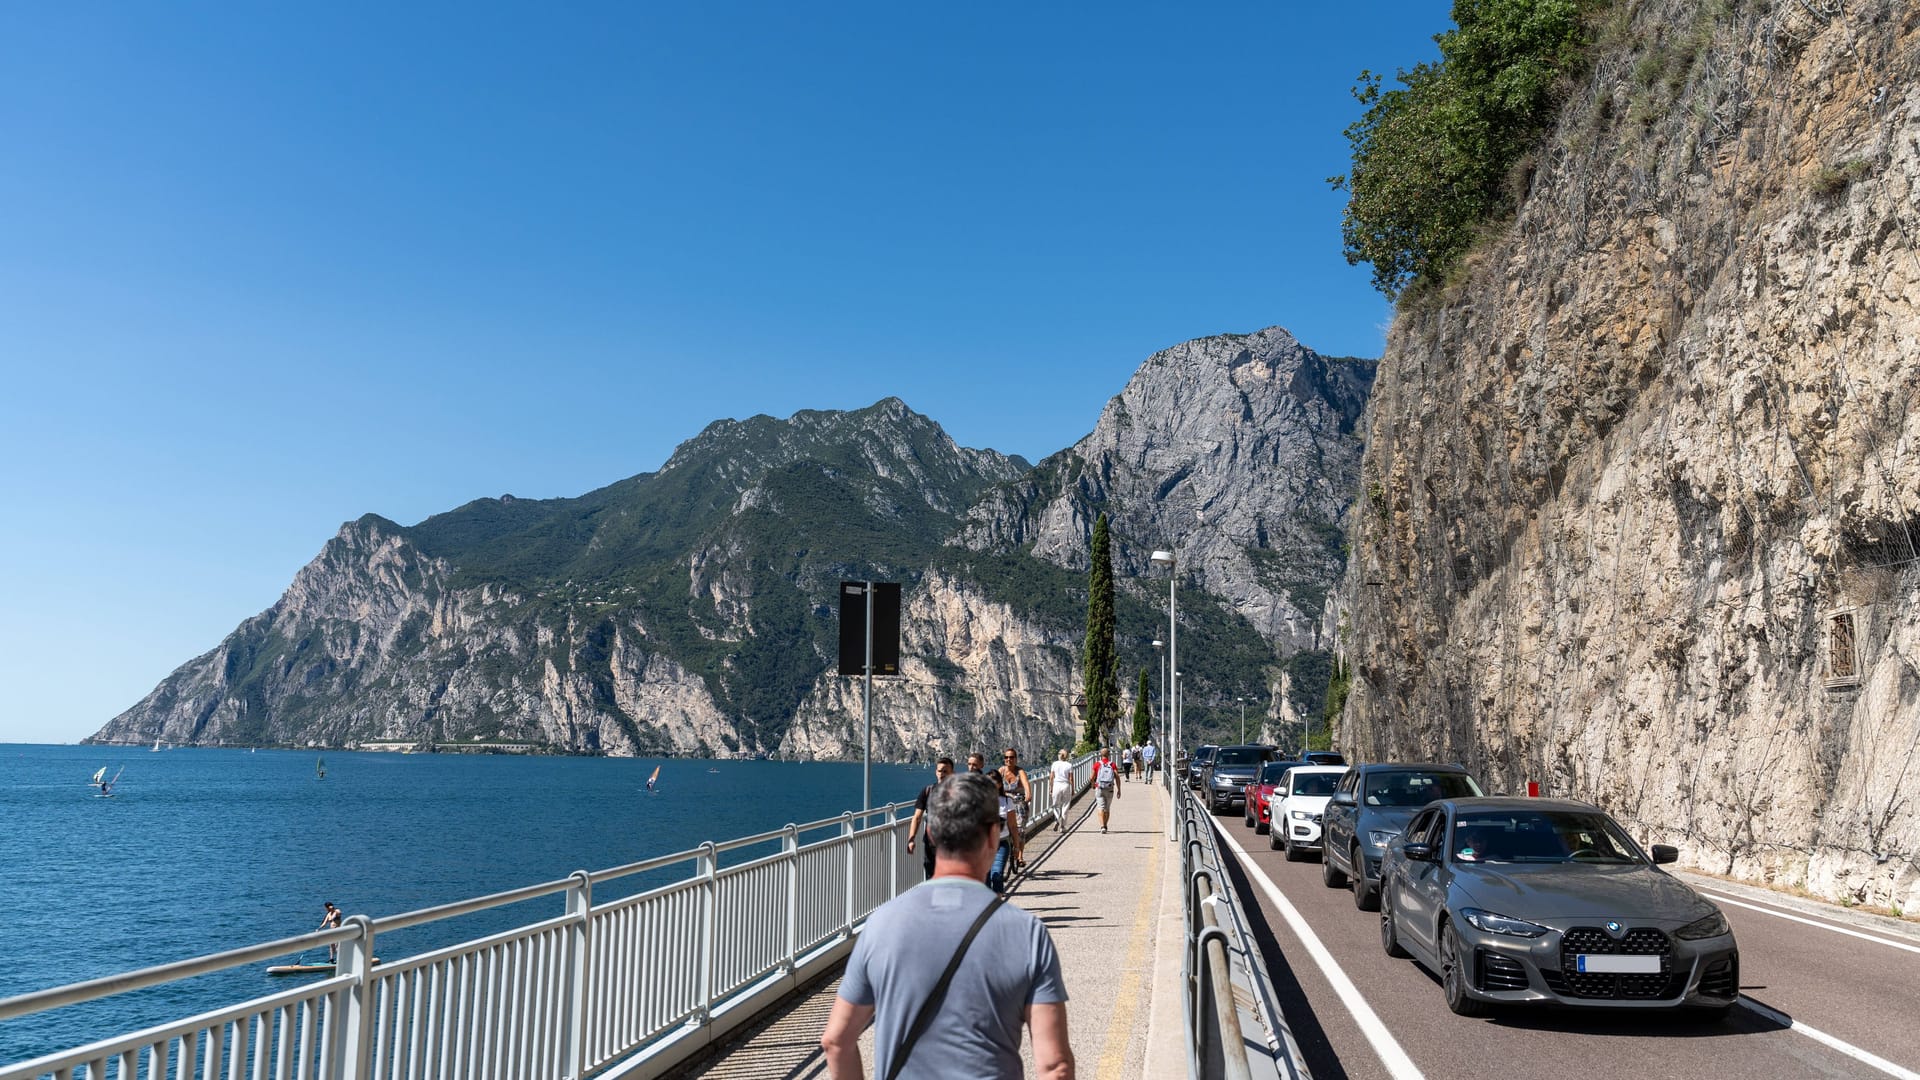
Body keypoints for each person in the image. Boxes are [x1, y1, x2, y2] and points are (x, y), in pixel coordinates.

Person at [820, 772, 1074, 1080]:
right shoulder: (1027, 934)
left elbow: (836, 1041)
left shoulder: (882, 925)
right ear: (994, 835)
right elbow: (1054, 1067)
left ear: (930, 834)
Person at [967, 752, 1012, 891]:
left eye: (974, 764)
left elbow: (1012, 824)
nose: (971, 767)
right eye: (969, 764)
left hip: (1000, 841)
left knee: (996, 875)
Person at [906, 757, 955, 881]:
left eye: (945, 771)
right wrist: (911, 839)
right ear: (935, 772)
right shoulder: (927, 791)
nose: (941, 774)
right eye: (939, 771)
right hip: (930, 845)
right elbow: (917, 817)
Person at [999, 748, 1034, 872]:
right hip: (1005, 803)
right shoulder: (1001, 771)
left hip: (1019, 804)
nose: (1009, 759)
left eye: (1011, 757)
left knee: (1020, 831)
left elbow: (1026, 786)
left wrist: (1028, 794)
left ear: (1015, 759)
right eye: (1006, 757)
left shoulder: (1020, 772)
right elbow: (994, 783)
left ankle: (1019, 856)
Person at [1094, 748, 1120, 833]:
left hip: (1100, 788)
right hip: (1109, 788)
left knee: (1100, 807)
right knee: (1107, 808)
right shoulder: (1112, 764)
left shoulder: (1097, 764)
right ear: (1109, 755)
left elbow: (1091, 777)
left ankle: (1102, 827)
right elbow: (1117, 777)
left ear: (1101, 755)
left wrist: (1092, 784)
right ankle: (1105, 825)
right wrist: (1119, 789)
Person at [1048, 749, 1074, 815]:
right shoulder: (1069, 765)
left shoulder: (1054, 764)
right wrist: (1073, 789)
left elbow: (1051, 777)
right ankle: (1063, 824)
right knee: (1065, 805)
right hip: (1065, 785)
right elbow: (1071, 779)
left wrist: (1051, 788)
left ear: (1060, 755)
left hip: (1057, 785)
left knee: (1056, 804)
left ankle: (1057, 818)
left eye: (1058, 753)